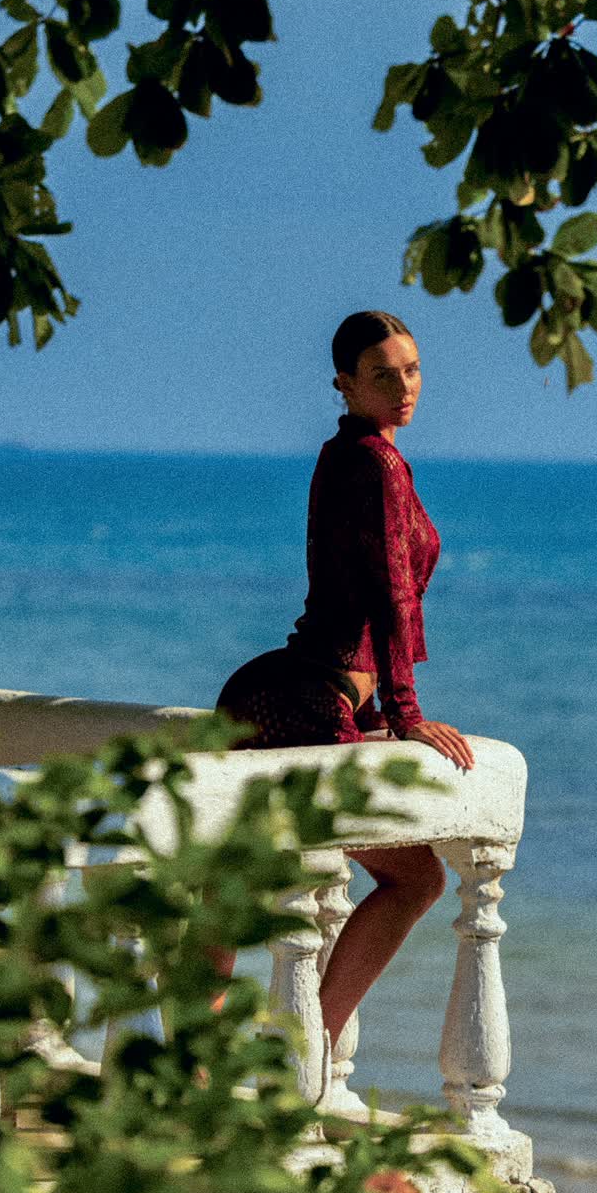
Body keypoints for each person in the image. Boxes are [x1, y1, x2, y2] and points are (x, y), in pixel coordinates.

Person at [211, 310, 474, 1058]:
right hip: (305, 696)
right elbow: (390, 592)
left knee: (235, 878)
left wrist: (378, 716)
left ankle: (197, 1063)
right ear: (345, 385)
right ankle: (304, 1053)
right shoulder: (376, 463)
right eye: (383, 375)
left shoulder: (345, 454)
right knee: (415, 880)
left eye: (412, 370)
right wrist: (407, 713)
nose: (403, 387)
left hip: (277, 690)